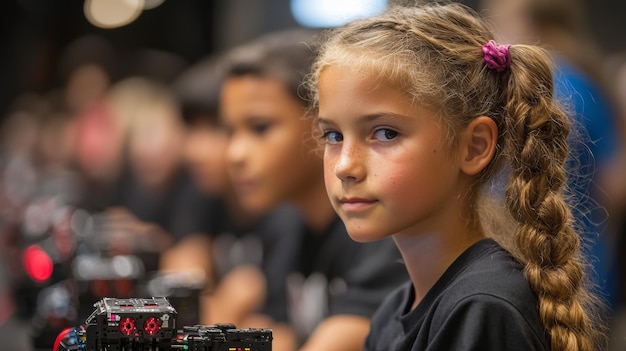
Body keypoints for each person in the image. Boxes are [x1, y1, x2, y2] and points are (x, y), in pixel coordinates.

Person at [309, 2, 607, 351]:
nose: (345, 165)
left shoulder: (482, 308)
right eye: (333, 136)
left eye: (385, 133)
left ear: (474, 147)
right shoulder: (394, 309)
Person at [218, 29, 408, 351]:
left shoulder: (378, 229)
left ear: (322, 122)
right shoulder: (286, 226)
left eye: (260, 128)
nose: (234, 154)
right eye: (229, 131)